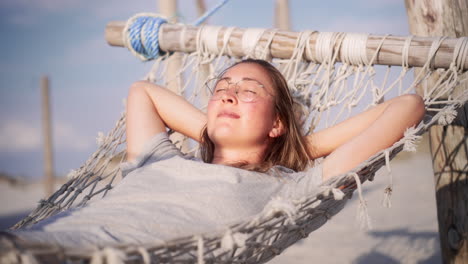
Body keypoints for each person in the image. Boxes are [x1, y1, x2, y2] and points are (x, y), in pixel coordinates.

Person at [2, 59, 425, 249]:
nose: (228, 92)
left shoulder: (292, 189)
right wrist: (219, 130)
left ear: (277, 122)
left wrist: (296, 148)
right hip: (40, 243)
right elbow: (143, 92)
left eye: (249, 90)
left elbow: (407, 107)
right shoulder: (159, 158)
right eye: (222, 87)